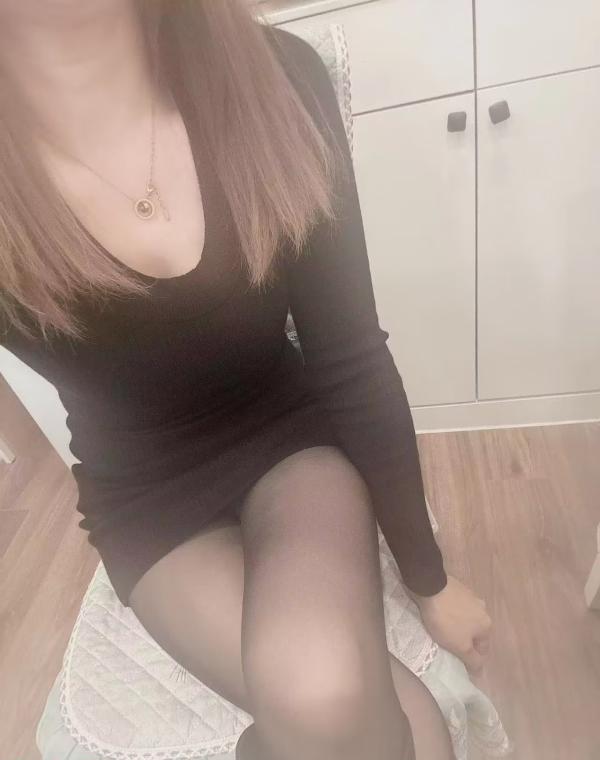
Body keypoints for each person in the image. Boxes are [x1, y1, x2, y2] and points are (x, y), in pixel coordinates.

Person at [0, 1, 492, 758]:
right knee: (390, 725)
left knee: (325, 694)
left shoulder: (274, 77)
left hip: (289, 441)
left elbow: (351, 353)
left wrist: (429, 580)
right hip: (148, 500)